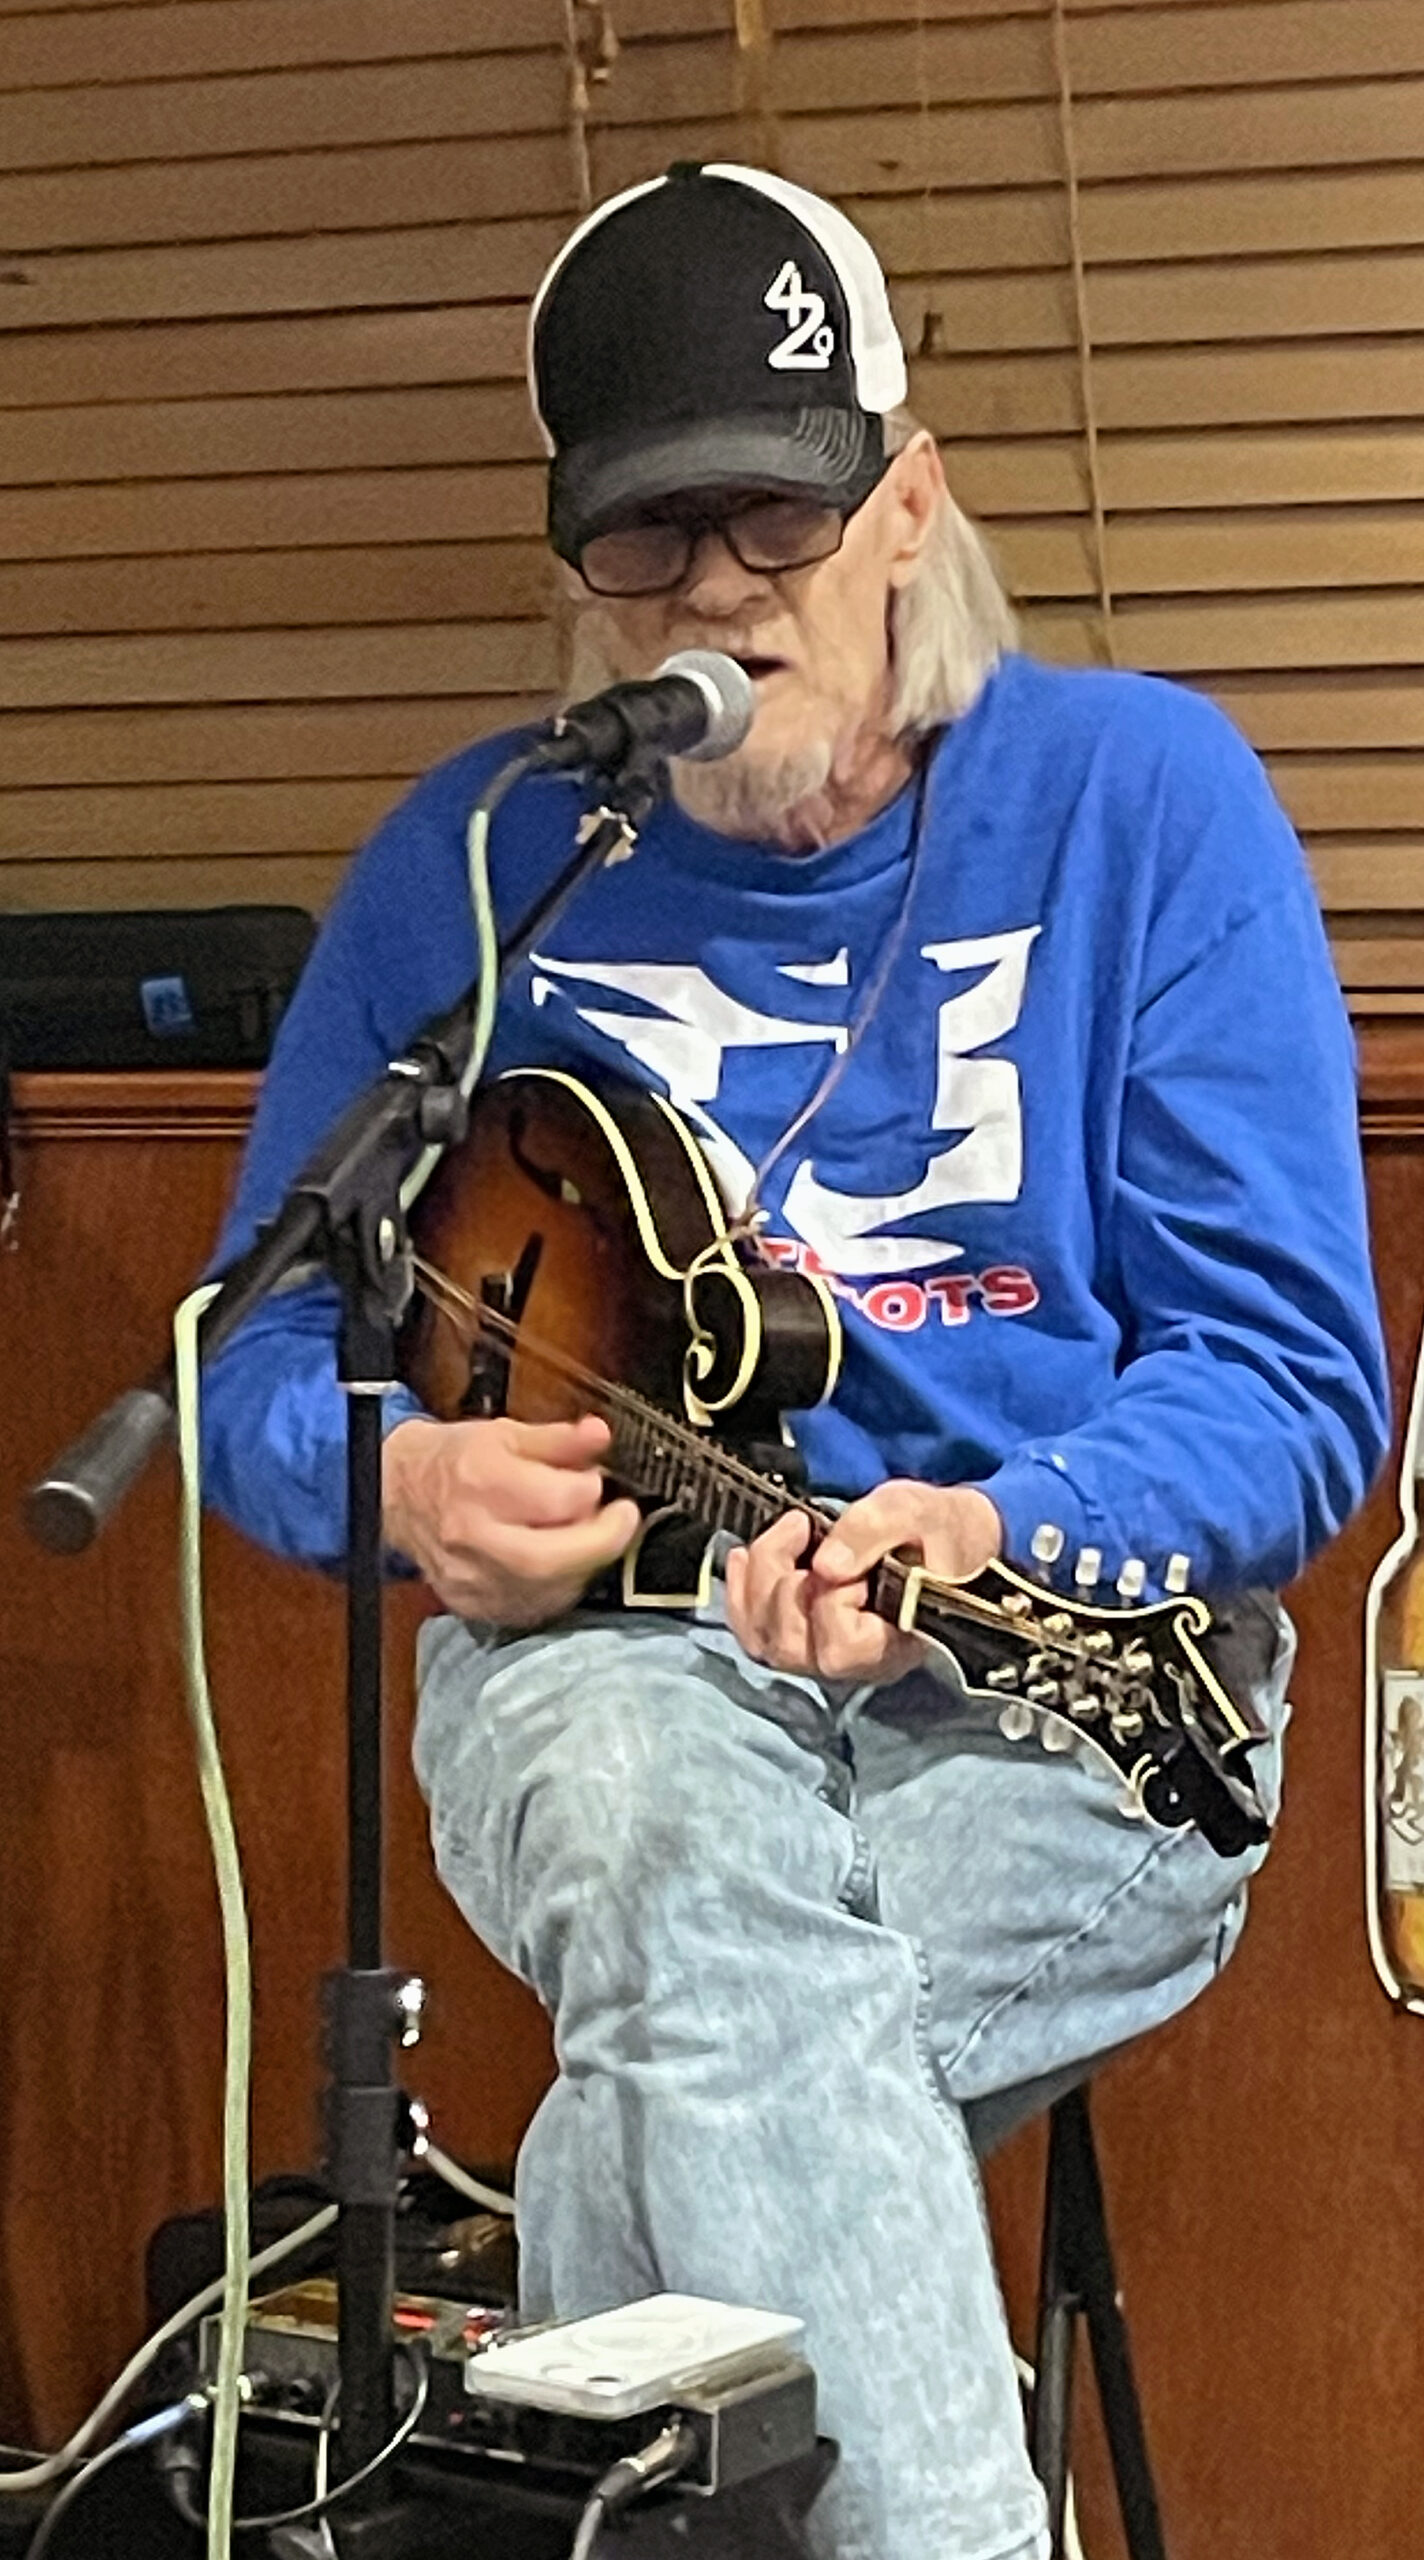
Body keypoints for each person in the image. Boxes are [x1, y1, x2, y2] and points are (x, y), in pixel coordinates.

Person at [201, 164, 1390, 2560]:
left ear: (907, 497)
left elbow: (1286, 1377)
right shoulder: (482, 858)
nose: (720, 584)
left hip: (1069, 1685)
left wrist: (998, 1512)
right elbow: (254, 1340)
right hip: (608, 1672)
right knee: (671, 1825)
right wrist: (402, 1490)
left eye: (773, 507)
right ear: (575, 568)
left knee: (684, 2057)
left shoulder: (1141, 803)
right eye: (648, 538)